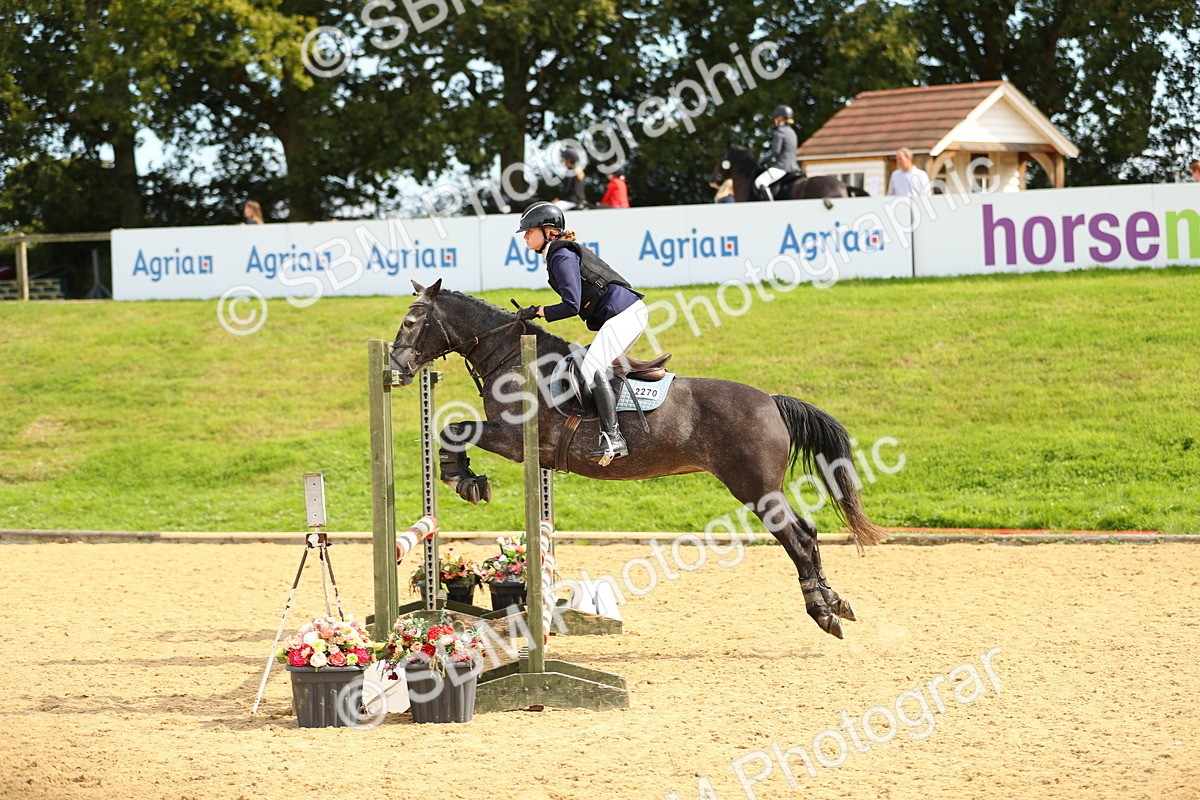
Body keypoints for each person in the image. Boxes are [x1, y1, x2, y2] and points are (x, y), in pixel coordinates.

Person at [513, 201, 647, 465]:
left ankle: (613, 437)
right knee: (593, 364)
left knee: (591, 368)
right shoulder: (558, 254)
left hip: (625, 315)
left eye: (529, 231)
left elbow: (571, 306)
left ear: (549, 231)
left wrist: (539, 311)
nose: (526, 237)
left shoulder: (560, 255)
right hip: (627, 314)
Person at [753, 104, 799, 201]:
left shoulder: (780, 132)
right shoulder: (792, 132)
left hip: (782, 167)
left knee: (760, 181)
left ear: (780, 118)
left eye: (775, 118)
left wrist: (763, 160)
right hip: (794, 167)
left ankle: (771, 206)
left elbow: (776, 152)